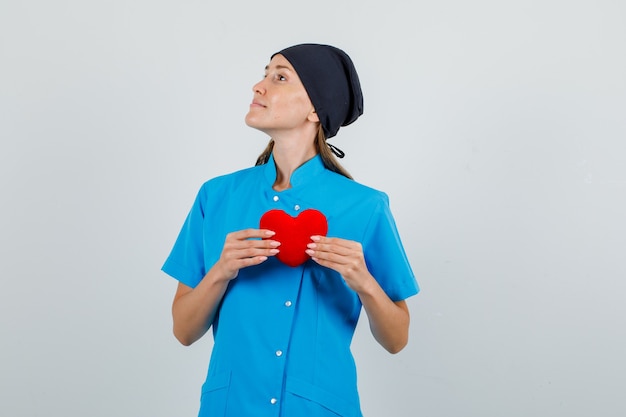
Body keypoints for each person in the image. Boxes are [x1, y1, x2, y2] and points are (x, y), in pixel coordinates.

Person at [162, 43, 419, 417]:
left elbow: (397, 340)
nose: (258, 86)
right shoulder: (216, 196)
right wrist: (221, 271)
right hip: (231, 406)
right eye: (264, 74)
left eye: (279, 77)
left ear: (316, 108)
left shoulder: (365, 206)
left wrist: (362, 280)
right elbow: (183, 332)